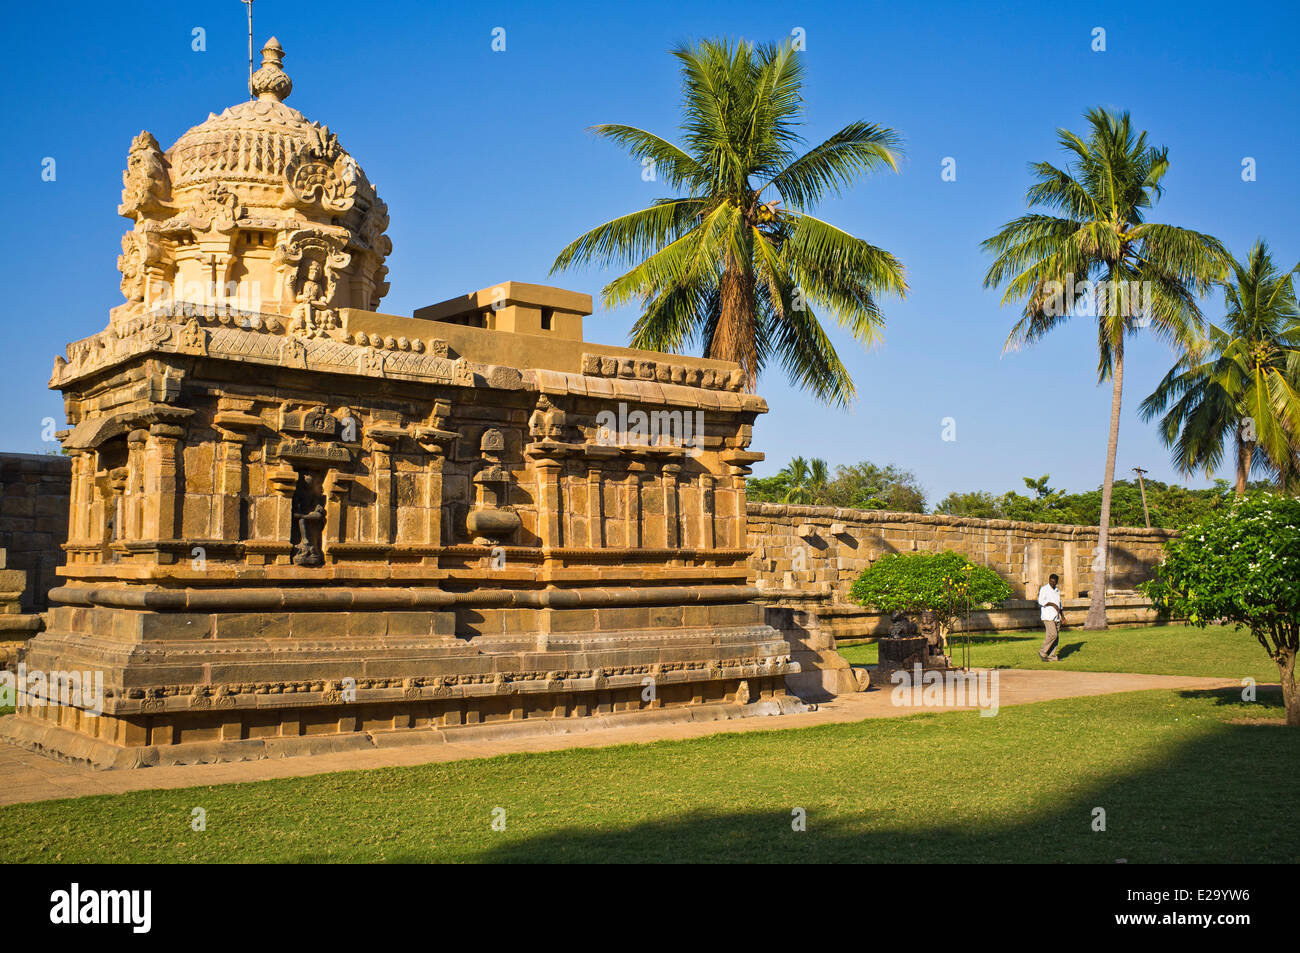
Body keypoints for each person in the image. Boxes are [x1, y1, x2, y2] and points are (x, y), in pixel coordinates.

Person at [1037, 573, 1063, 662]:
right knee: (1053, 634)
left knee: (1056, 637)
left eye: (1054, 581)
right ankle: (1042, 652)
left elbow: (1059, 605)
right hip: (1047, 616)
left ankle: (1052, 656)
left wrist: (1063, 616)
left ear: (1056, 582)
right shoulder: (1044, 589)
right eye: (1050, 581)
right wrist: (1052, 604)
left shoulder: (1057, 591)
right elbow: (1040, 601)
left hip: (1056, 617)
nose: (1052, 583)